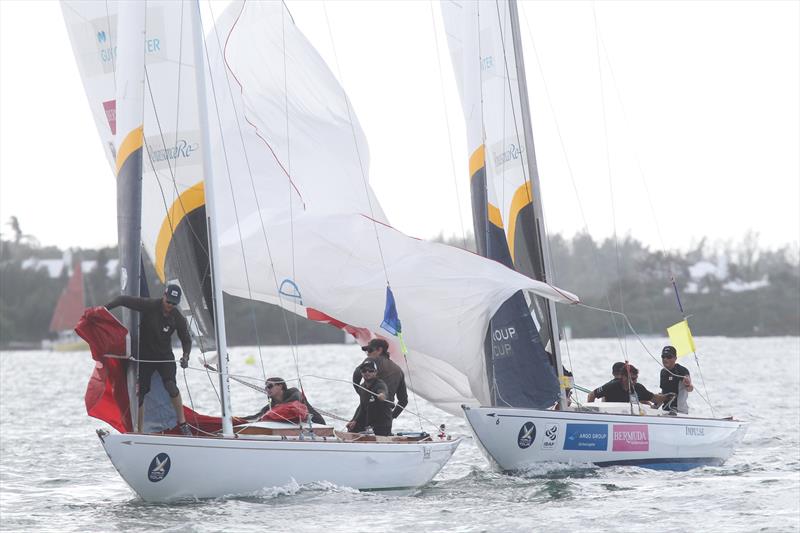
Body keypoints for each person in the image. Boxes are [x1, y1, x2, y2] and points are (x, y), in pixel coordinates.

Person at [105, 284, 192, 435]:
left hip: (165, 358)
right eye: (168, 301)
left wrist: (186, 356)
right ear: (164, 296)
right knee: (141, 392)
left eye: (173, 303)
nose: (170, 305)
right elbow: (122, 300)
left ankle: (183, 424)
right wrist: (104, 309)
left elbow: (186, 340)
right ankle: (139, 430)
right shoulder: (151, 305)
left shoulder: (177, 317)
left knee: (171, 386)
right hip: (146, 357)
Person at [352, 338, 408, 423]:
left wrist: (363, 395)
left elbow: (356, 376)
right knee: (381, 434)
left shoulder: (371, 360)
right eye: (366, 351)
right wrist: (392, 416)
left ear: (379, 350)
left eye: (370, 350)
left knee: (352, 430)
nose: (368, 354)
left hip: (368, 410)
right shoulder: (399, 370)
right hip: (386, 415)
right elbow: (403, 401)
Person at [244, 377, 325, 424]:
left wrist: (276, 408)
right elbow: (256, 417)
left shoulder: (294, 392)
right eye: (266, 387)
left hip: (317, 424)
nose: (267, 389)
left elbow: (295, 400)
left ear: (280, 386)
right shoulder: (270, 406)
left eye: (270, 386)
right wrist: (235, 420)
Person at [346, 359, 393, 436]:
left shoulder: (380, 384)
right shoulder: (362, 388)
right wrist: (354, 420)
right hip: (369, 423)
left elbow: (383, 391)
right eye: (364, 371)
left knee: (380, 430)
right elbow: (362, 407)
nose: (367, 372)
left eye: (370, 370)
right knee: (352, 429)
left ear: (375, 372)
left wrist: (382, 395)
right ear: (361, 373)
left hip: (382, 424)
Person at [587, 364, 665, 406]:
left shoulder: (638, 387)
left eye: (636, 378)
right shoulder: (611, 386)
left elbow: (655, 398)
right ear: (624, 377)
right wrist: (589, 415)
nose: (635, 381)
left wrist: (666, 397)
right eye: (633, 379)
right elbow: (591, 395)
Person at [659, 345, 693, 414]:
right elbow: (663, 392)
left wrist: (687, 384)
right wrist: (655, 405)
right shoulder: (663, 372)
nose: (665, 359)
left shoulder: (681, 370)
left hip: (680, 412)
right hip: (666, 411)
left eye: (669, 357)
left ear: (675, 358)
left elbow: (690, 389)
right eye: (663, 357)